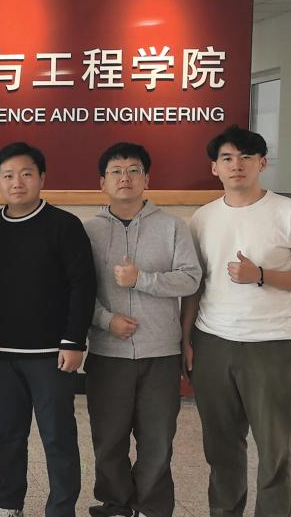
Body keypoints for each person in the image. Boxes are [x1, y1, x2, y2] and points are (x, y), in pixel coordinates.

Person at [181, 126, 291, 517]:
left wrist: (261, 275)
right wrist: (185, 339)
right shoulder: (203, 218)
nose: (237, 165)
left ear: (262, 163)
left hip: (271, 343)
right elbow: (195, 286)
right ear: (214, 168)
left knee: (275, 451)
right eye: (227, 158)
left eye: (247, 157)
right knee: (221, 449)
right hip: (213, 342)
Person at [0, 142, 96, 517]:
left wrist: (74, 341)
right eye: (8, 175)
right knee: (8, 435)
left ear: (42, 178)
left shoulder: (64, 226)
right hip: (1, 353)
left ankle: (61, 508)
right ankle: (9, 504)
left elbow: (82, 285)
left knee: (57, 436)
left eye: (26, 174)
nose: (17, 182)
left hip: (51, 354)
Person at [83, 142, 202, 517]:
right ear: (102, 182)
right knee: (109, 439)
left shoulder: (172, 227)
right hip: (107, 352)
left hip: (160, 352)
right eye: (116, 171)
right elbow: (77, 291)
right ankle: (116, 505)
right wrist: (106, 320)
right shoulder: (87, 231)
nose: (125, 178)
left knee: (157, 439)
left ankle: (151, 507)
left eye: (134, 170)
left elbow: (191, 279)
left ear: (147, 179)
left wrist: (142, 280)